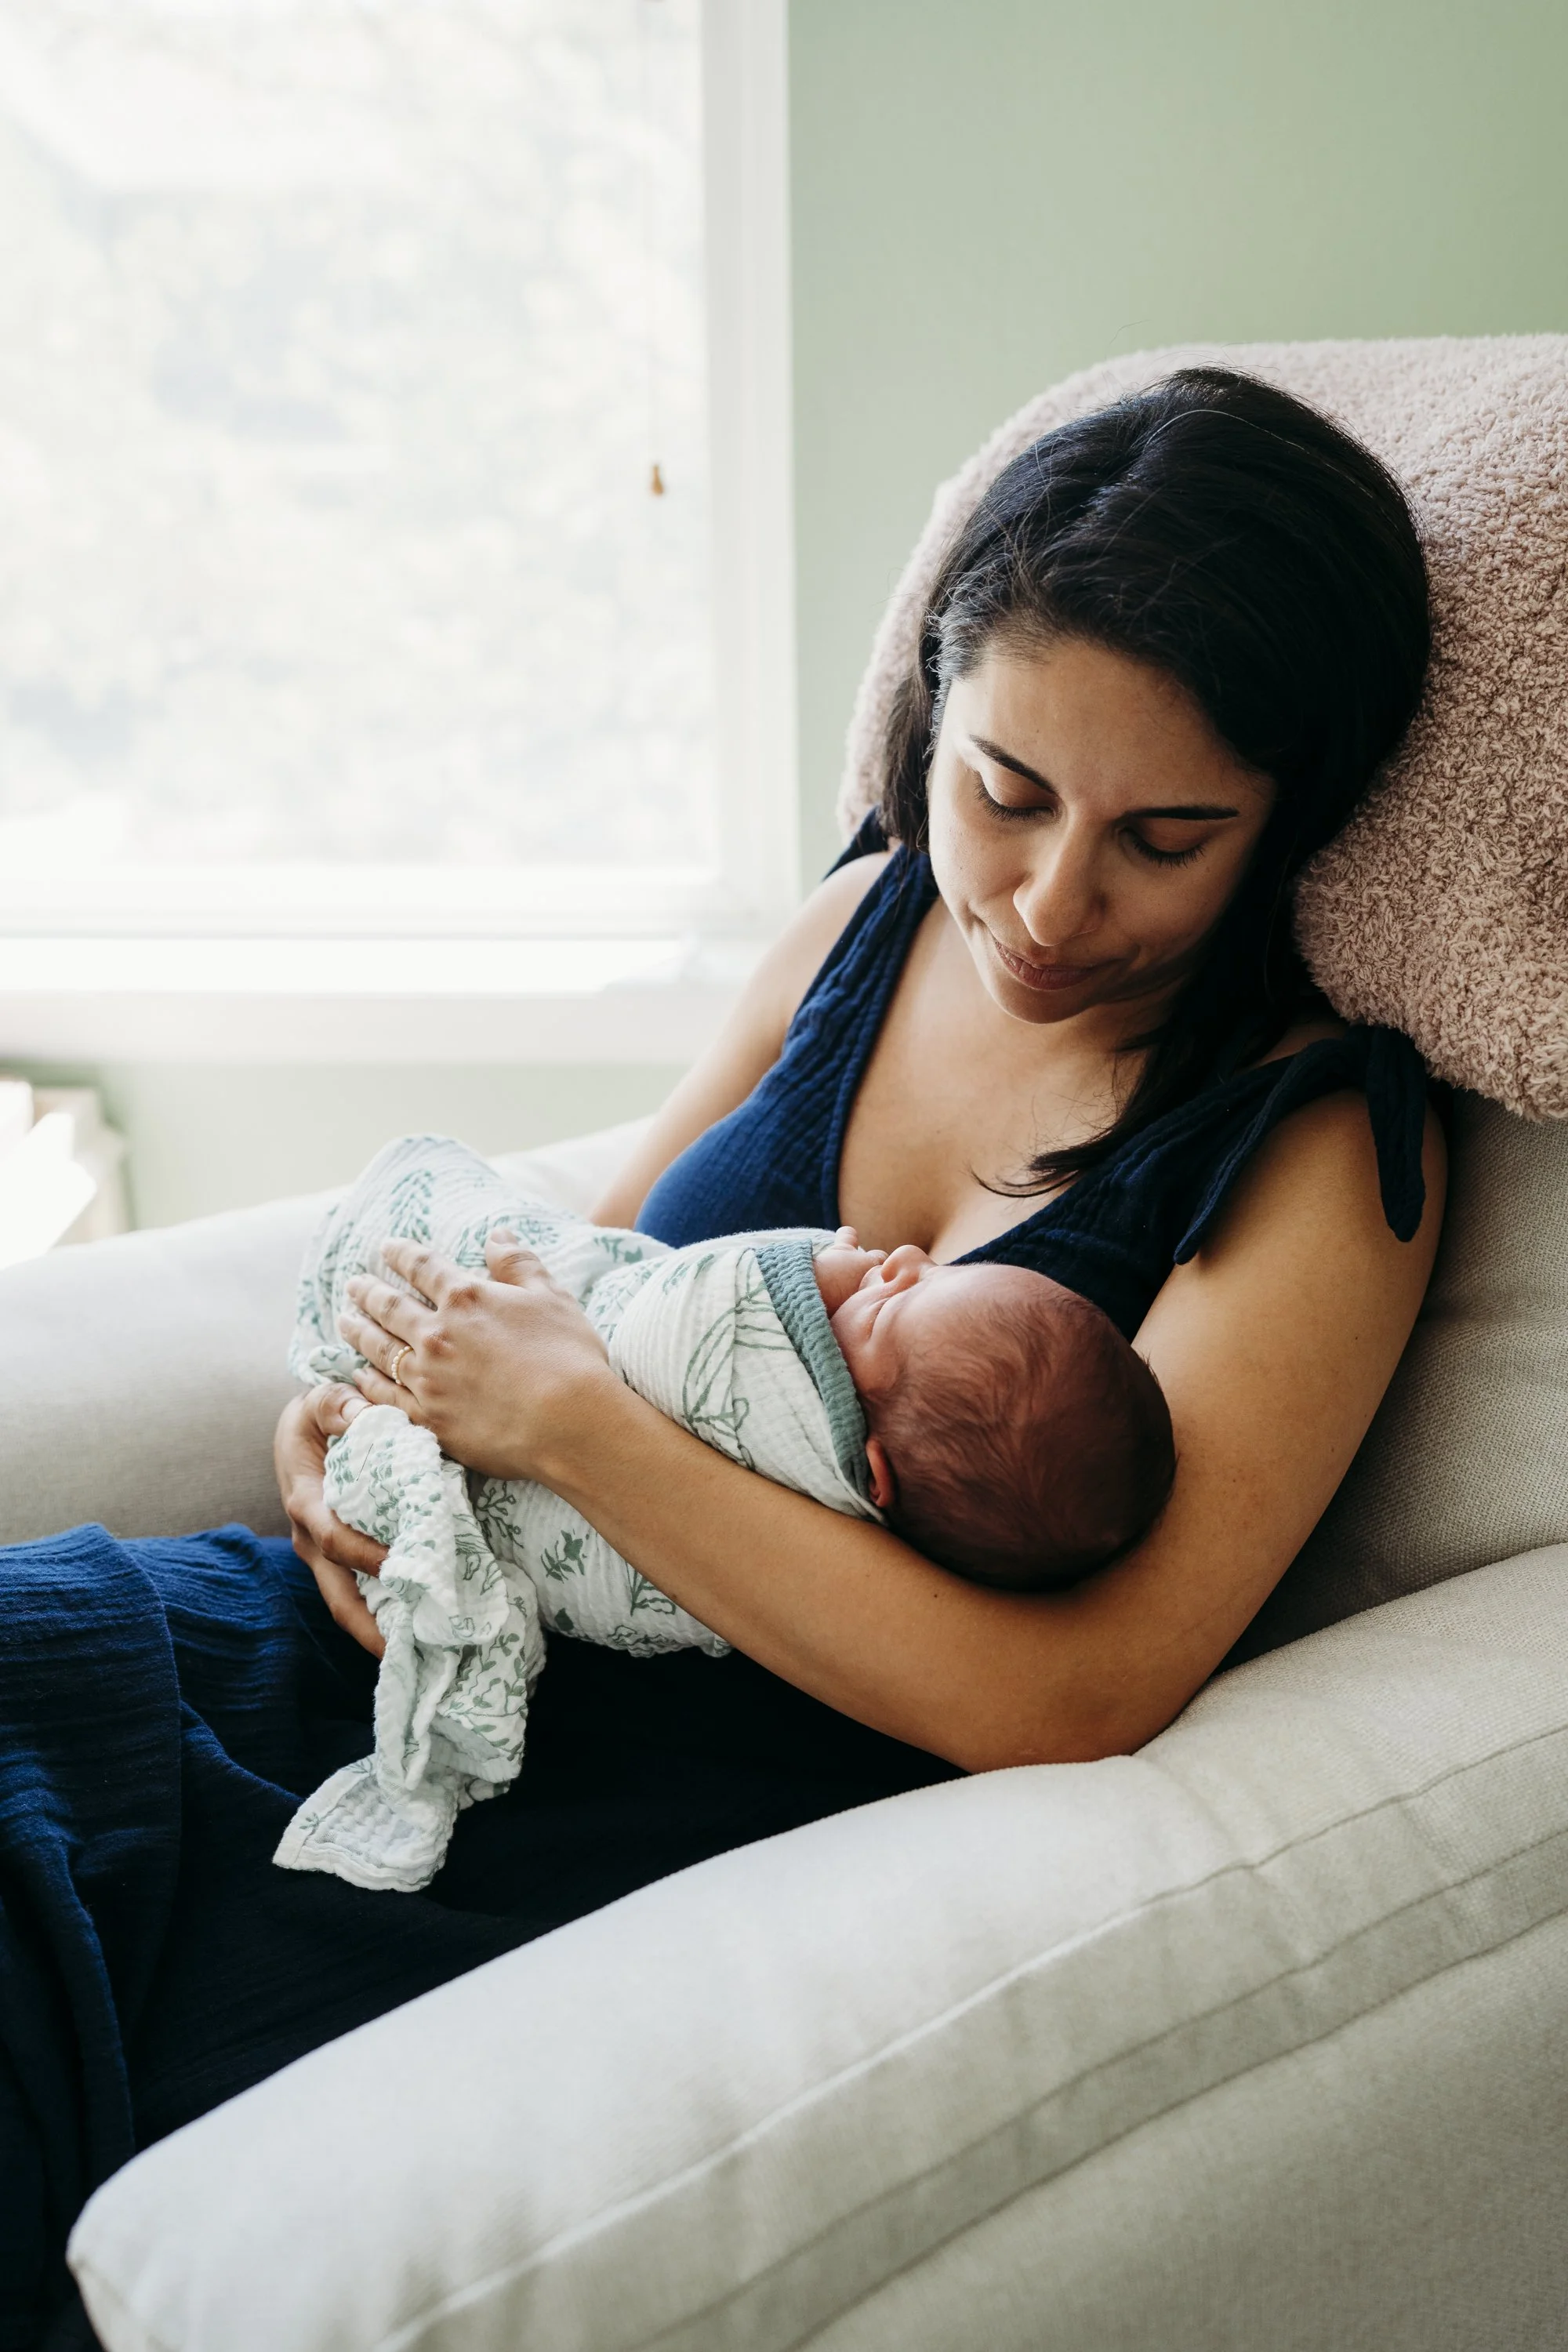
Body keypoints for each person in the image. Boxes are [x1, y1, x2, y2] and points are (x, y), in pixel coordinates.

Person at [0, 368, 1446, 2344]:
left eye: (1163, 837)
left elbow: (1076, 1689)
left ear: (1285, 818)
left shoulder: (1313, 1153)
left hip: (601, 1843)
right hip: (333, 1644)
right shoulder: (861, 917)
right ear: (934, 714)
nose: (1042, 898)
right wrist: (355, 1415)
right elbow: (562, 1257)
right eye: (1002, 789)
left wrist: (581, 1432)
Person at [277, 1134, 1174, 1892]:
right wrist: (326, 1421)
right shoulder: (847, 940)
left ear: (866, 1476)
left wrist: (564, 1419)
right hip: (336, 1602)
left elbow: (1065, 1705)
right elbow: (556, 1278)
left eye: (895, 1302)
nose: (895, 1260)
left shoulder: (1295, 1151)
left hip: (602, 1816)